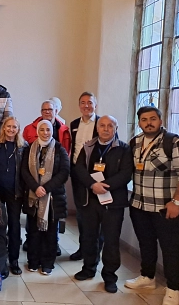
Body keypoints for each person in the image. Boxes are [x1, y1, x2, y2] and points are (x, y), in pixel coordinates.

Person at [125, 106, 179, 305]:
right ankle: (147, 277)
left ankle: (173, 288)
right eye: (144, 119)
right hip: (140, 205)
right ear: (139, 123)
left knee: (170, 248)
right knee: (146, 243)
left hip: (166, 208)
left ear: (160, 120)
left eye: (153, 118)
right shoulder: (135, 142)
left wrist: (177, 202)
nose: (149, 123)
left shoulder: (175, 143)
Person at [72, 116, 133, 293]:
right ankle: (88, 269)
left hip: (113, 203)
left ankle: (109, 276)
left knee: (111, 241)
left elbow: (126, 174)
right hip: (90, 200)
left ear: (116, 128)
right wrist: (93, 185)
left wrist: (105, 186)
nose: (106, 129)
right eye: (102, 126)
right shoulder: (88, 146)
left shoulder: (124, 149)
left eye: (110, 126)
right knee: (90, 237)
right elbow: (79, 169)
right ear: (97, 128)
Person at [21, 120, 69, 276]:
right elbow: (24, 171)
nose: (45, 132)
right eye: (42, 129)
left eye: (48, 129)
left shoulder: (60, 149)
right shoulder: (30, 149)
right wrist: (36, 187)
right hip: (33, 197)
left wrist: (46, 188)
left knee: (50, 233)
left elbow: (64, 172)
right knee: (33, 232)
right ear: (37, 131)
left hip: (53, 198)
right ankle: (33, 261)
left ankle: (48, 263)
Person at [0, 117, 27, 275]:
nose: (11, 129)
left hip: (15, 191)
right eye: (9, 126)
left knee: (14, 225)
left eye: (14, 127)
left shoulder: (23, 147)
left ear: (18, 129)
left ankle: (13, 260)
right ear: (3, 128)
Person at [69, 92, 100, 261]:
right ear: (79, 105)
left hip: (96, 174)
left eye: (90, 102)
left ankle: (95, 250)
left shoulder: (102, 123)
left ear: (95, 104)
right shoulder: (74, 124)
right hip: (77, 173)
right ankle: (83, 248)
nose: (86, 106)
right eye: (83, 103)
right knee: (81, 213)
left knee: (96, 214)